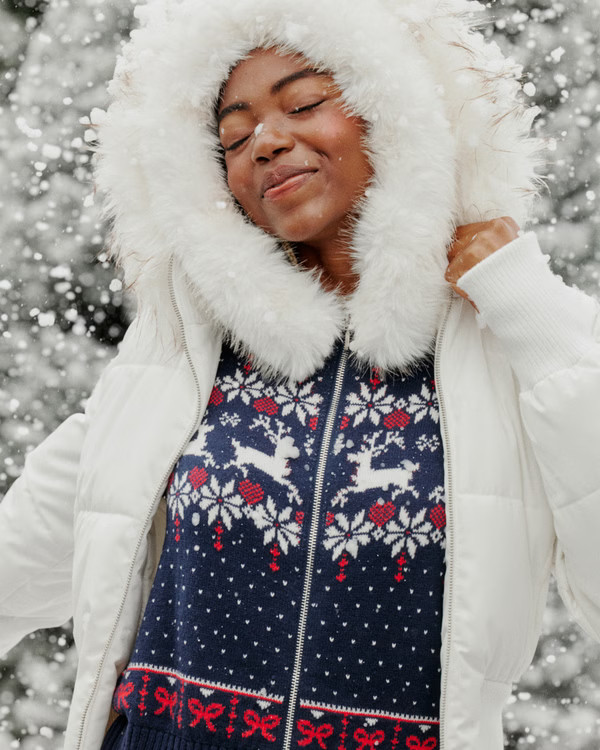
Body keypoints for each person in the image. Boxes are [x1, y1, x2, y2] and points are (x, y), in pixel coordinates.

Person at [1, 1, 599, 749]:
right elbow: (23, 556)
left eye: (306, 102)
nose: (266, 141)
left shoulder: (509, 337)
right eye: (233, 136)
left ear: (397, 110)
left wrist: (529, 309)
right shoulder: (184, 347)